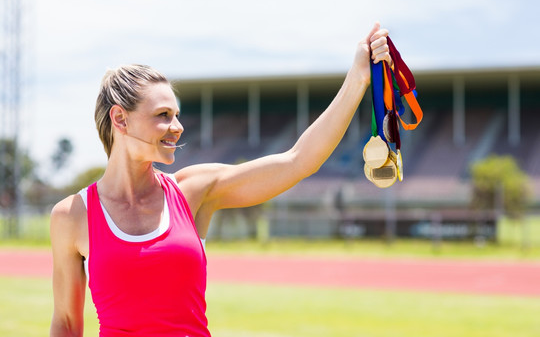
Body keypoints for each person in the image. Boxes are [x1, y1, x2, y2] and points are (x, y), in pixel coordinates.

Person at [49, 22, 392, 337]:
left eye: (177, 115)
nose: (178, 127)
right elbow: (66, 323)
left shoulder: (192, 191)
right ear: (120, 119)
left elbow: (298, 161)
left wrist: (358, 77)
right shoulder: (71, 216)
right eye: (163, 116)